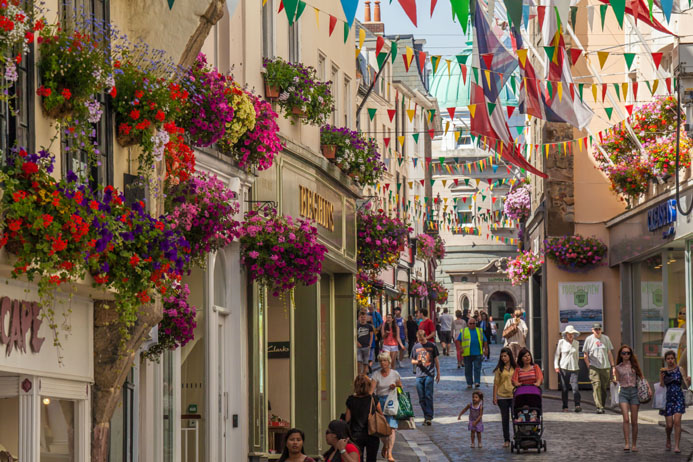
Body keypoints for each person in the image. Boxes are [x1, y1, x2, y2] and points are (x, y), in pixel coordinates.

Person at [614, 345, 651, 452]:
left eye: (628, 353)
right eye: (624, 353)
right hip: (624, 393)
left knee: (634, 421)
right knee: (626, 419)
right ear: (620, 355)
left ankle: (634, 444)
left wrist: (648, 388)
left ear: (630, 355)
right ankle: (627, 443)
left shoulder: (634, 366)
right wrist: (614, 382)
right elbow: (616, 381)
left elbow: (642, 377)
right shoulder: (618, 367)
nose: (626, 355)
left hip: (634, 392)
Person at [371, 352, 402, 462]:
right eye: (380, 361)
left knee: (392, 428)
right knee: (382, 428)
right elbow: (371, 391)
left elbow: (400, 387)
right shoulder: (376, 375)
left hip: (391, 401)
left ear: (389, 362)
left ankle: (389, 453)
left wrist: (395, 386)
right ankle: (385, 445)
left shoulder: (395, 374)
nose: (382, 363)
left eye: (384, 361)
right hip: (379, 402)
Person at [660, 350, 691, 453]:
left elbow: (686, 384)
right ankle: (668, 438)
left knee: (677, 422)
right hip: (667, 399)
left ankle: (677, 446)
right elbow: (661, 386)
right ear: (666, 360)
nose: (670, 360)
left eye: (672, 358)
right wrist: (661, 378)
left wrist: (689, 381)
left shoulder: (680, 369)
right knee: (669, 425)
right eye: (668, 359)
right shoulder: (663, 371)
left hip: (678, 397)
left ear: (675, 359)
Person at [345, 375, 381, 462]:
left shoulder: (351, 400)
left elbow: (347, 419)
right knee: (372, 459)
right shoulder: (373, 399)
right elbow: (381, 414)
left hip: (356, 435)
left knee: (357, 458)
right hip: (372, 434)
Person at [582, 322, 615, 414]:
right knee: (596, 385)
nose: (597, 331)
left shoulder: (606, 338)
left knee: (604, 387)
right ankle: (599, 407)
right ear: (592, 330)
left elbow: (609, 353)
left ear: (601, 329)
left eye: (599, 329)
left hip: (605, 366)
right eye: (595, 329)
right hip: (594, 366)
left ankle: (602, 405)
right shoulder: (589, 339)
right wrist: (589, 365)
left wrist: (613, 366)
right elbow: (585, 354)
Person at [411, 329, 441, 425]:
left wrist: (438, 373)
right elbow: (412, 360)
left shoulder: (432, 346)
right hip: (419, 375)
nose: (420, 341)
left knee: (428, 395)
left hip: (429, 374)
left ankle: (428, 417)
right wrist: (417, 362)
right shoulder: (416, 347)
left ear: (425, 336)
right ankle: (426, 415)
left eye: (422, 339)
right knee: (421, 397)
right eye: (419, 339)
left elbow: (436, 359)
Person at [554, 325, 582, 412]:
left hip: (574, 368)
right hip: (564, 368)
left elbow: (577, 356)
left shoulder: (576, 343)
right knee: (565, 388)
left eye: (572, 334)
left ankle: (577, 405)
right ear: (566, 334)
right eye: (569, 334)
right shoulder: (561, 342)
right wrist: (556, 366)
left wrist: (577, 364)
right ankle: (565, 406)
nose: (570, 335)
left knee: (575, 388)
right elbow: (557, 355)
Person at [493, 347, 517, 448]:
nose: (503, 358)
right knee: (505, 419)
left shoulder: (515, 368)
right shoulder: (499, 369)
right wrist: (495, 397)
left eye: (505, 356)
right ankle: (506, 439)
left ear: (509, 356)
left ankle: (517, 437)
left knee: (515, 418)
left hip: (513, 395)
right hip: (502, 397)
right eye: (502, 356)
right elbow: (496, 384)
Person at [459, 317, 488, 389]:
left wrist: (486, 349)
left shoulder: (479, 331)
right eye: (470, 323)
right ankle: (469, 383)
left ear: (476, 324)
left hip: (477, 353)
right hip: (467, 353)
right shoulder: (463, 331)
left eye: (473, 323)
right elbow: (459, 340)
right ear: (467, 324)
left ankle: (477, 382)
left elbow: (485, 340)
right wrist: (461, 348)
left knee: (477, 368)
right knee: (468, 369)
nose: (472, 325)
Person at [356, 311, 374, 375]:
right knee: (359, 361)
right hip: (359, 347)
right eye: (361, 317)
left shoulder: (369, 326)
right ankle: (359, 375)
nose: (363, 318)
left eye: (364, 317)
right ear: (359, 318)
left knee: (365, 362)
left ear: (366, 318)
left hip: (366, 346)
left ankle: (364, 376)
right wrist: (357, 343)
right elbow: (354, 336)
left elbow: (371, 336)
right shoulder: (357, 326)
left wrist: (370, 344)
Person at [367, 306, 383, 373]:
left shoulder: (377, 314)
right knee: (372, 346)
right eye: (369, 308)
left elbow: (381, 322)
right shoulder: (367, 315)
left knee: (376, 345)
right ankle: (369, 363)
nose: (370, 309)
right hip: (370, 332)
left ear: (373, 308)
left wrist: (379, 328)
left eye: (371, 308)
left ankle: (376, 357)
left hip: (376, 331)